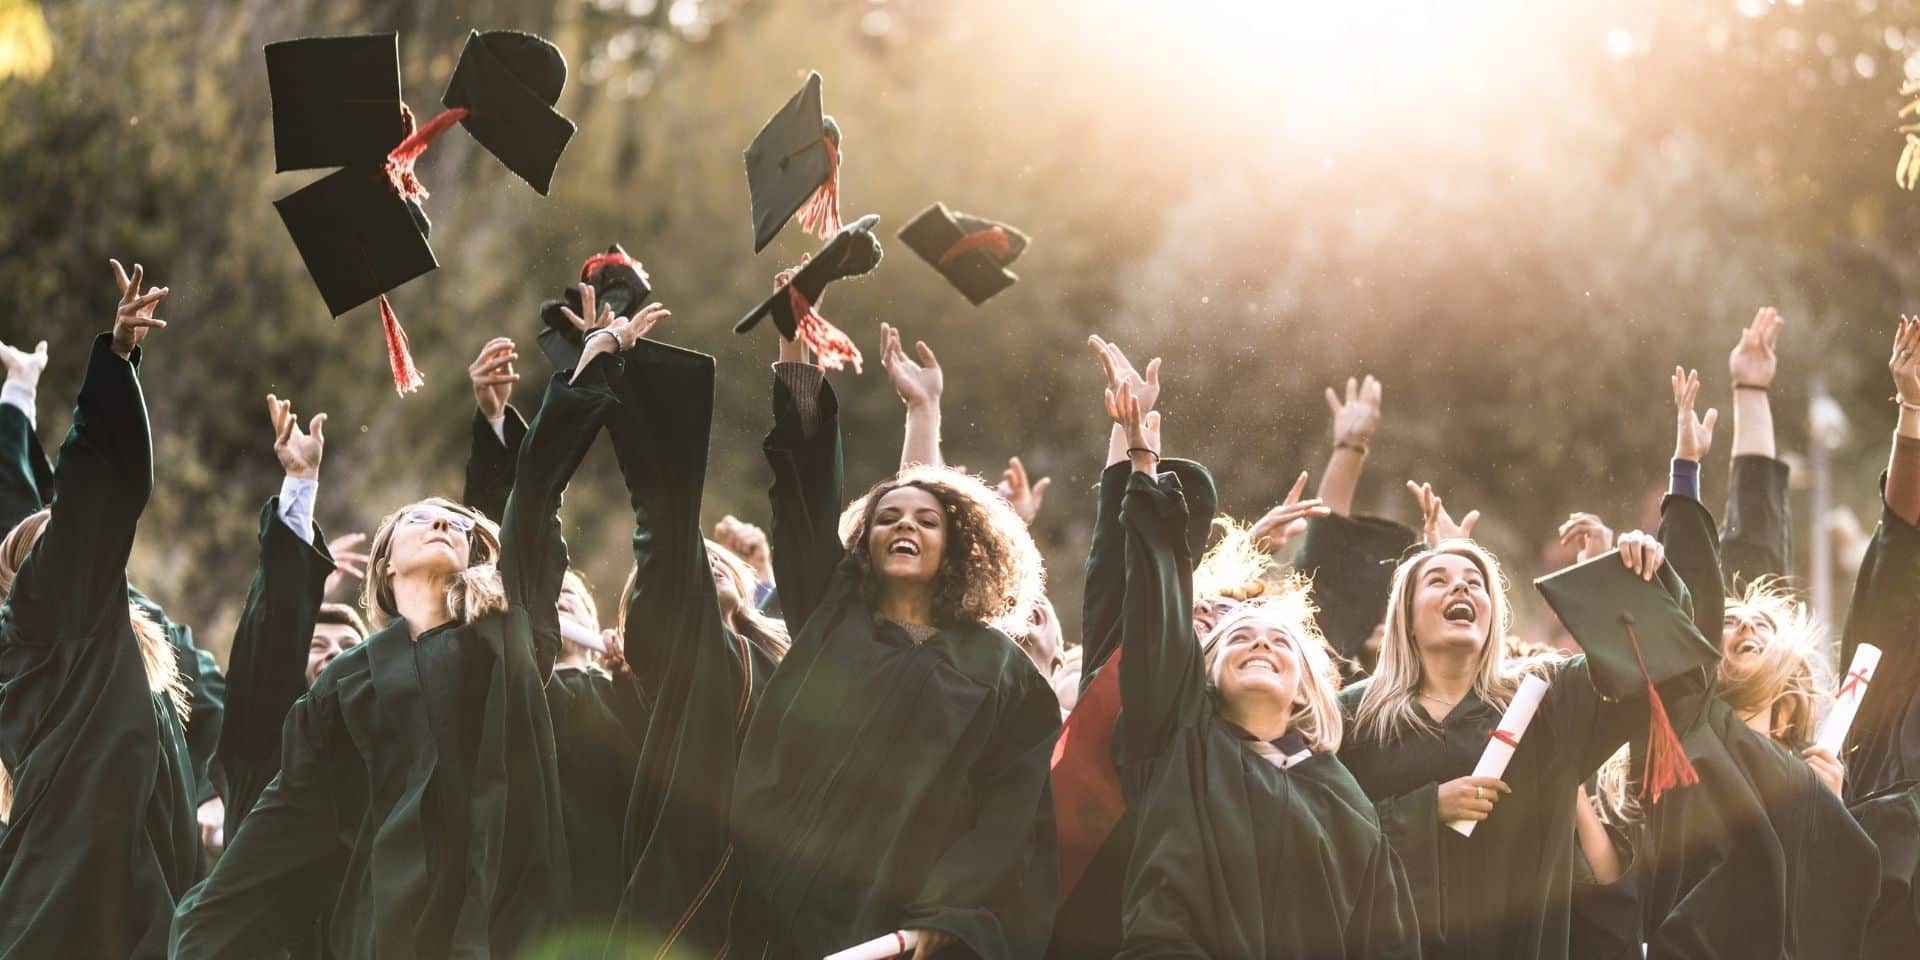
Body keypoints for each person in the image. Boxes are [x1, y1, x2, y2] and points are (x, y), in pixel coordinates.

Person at [172, 290, 668, 956]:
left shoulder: (512, 637)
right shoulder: (342, 686)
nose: (444, 521)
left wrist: (587, 371)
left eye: (461, 523)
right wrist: (201, 932)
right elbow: (282, 823)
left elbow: (534, 498)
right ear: (381, 566)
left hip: (505, 928)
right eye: (420, 517)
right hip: (382, 935)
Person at [723, 320, 1059, 960]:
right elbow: (801, 496)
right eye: (888, 518)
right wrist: (797, 355)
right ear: (866, 540)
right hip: (778, 903)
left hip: (904, 928)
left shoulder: (1000, 671)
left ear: (959, 547)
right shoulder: (831, 613)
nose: (906, 526)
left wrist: (943, 918)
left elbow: (1009, 814)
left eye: (927, 522)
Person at [1102, 374, 1419, 957]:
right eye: (1239, 636)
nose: (1261, 645)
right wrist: (1139, 458)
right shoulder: (1176, 740)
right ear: (1205, 670)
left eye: (1280, 642)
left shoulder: (1343, 799)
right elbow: (1150, 602)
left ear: (1306, 684)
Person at [1336, 464, 1705, 959]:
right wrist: (1425, 811)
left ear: (1493, 618)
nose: (1461, 589)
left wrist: (1641, 578)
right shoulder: (1356, 719)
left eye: (1476, 582)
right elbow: (1316, 834)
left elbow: (1665, 671)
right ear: (1406, 618)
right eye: (1438, 581)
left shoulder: (1547, 700)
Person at [0, 261, 197, 957]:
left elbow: (83, 504)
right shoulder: (33, 626)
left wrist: (21, 395)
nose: (66, 540)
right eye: (43, 545)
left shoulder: (149, 646)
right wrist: (112, 361)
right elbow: (80, 501)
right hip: (67, 906)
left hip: (148, 901)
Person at [604, 328, 787, 958]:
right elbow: (664, 522)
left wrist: (794, 362)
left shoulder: (783, 655)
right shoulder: (671, 652)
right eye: (692, 561)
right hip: (691, 898)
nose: (706, 562)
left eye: (719, 559)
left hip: (784, 897)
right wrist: (627, 384)